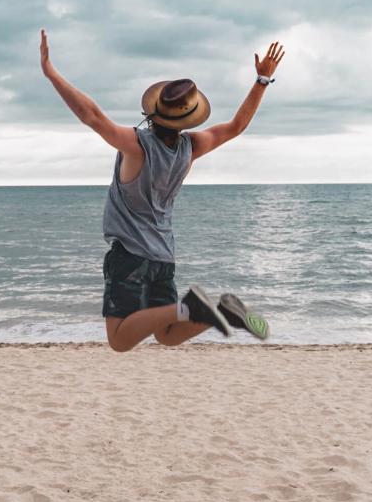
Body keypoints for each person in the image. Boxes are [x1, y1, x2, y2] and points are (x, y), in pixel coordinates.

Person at [40, 29, 285, 352]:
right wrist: (262, 80)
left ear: (153, 112)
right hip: (163, 256)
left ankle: (190, 308)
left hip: (130, 255)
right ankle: (220, 312)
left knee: (119, 340)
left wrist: (50, 72)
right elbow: (236, 126)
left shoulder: (136, 145)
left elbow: (92, 116)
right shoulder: (192, 146)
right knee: (167, 334)